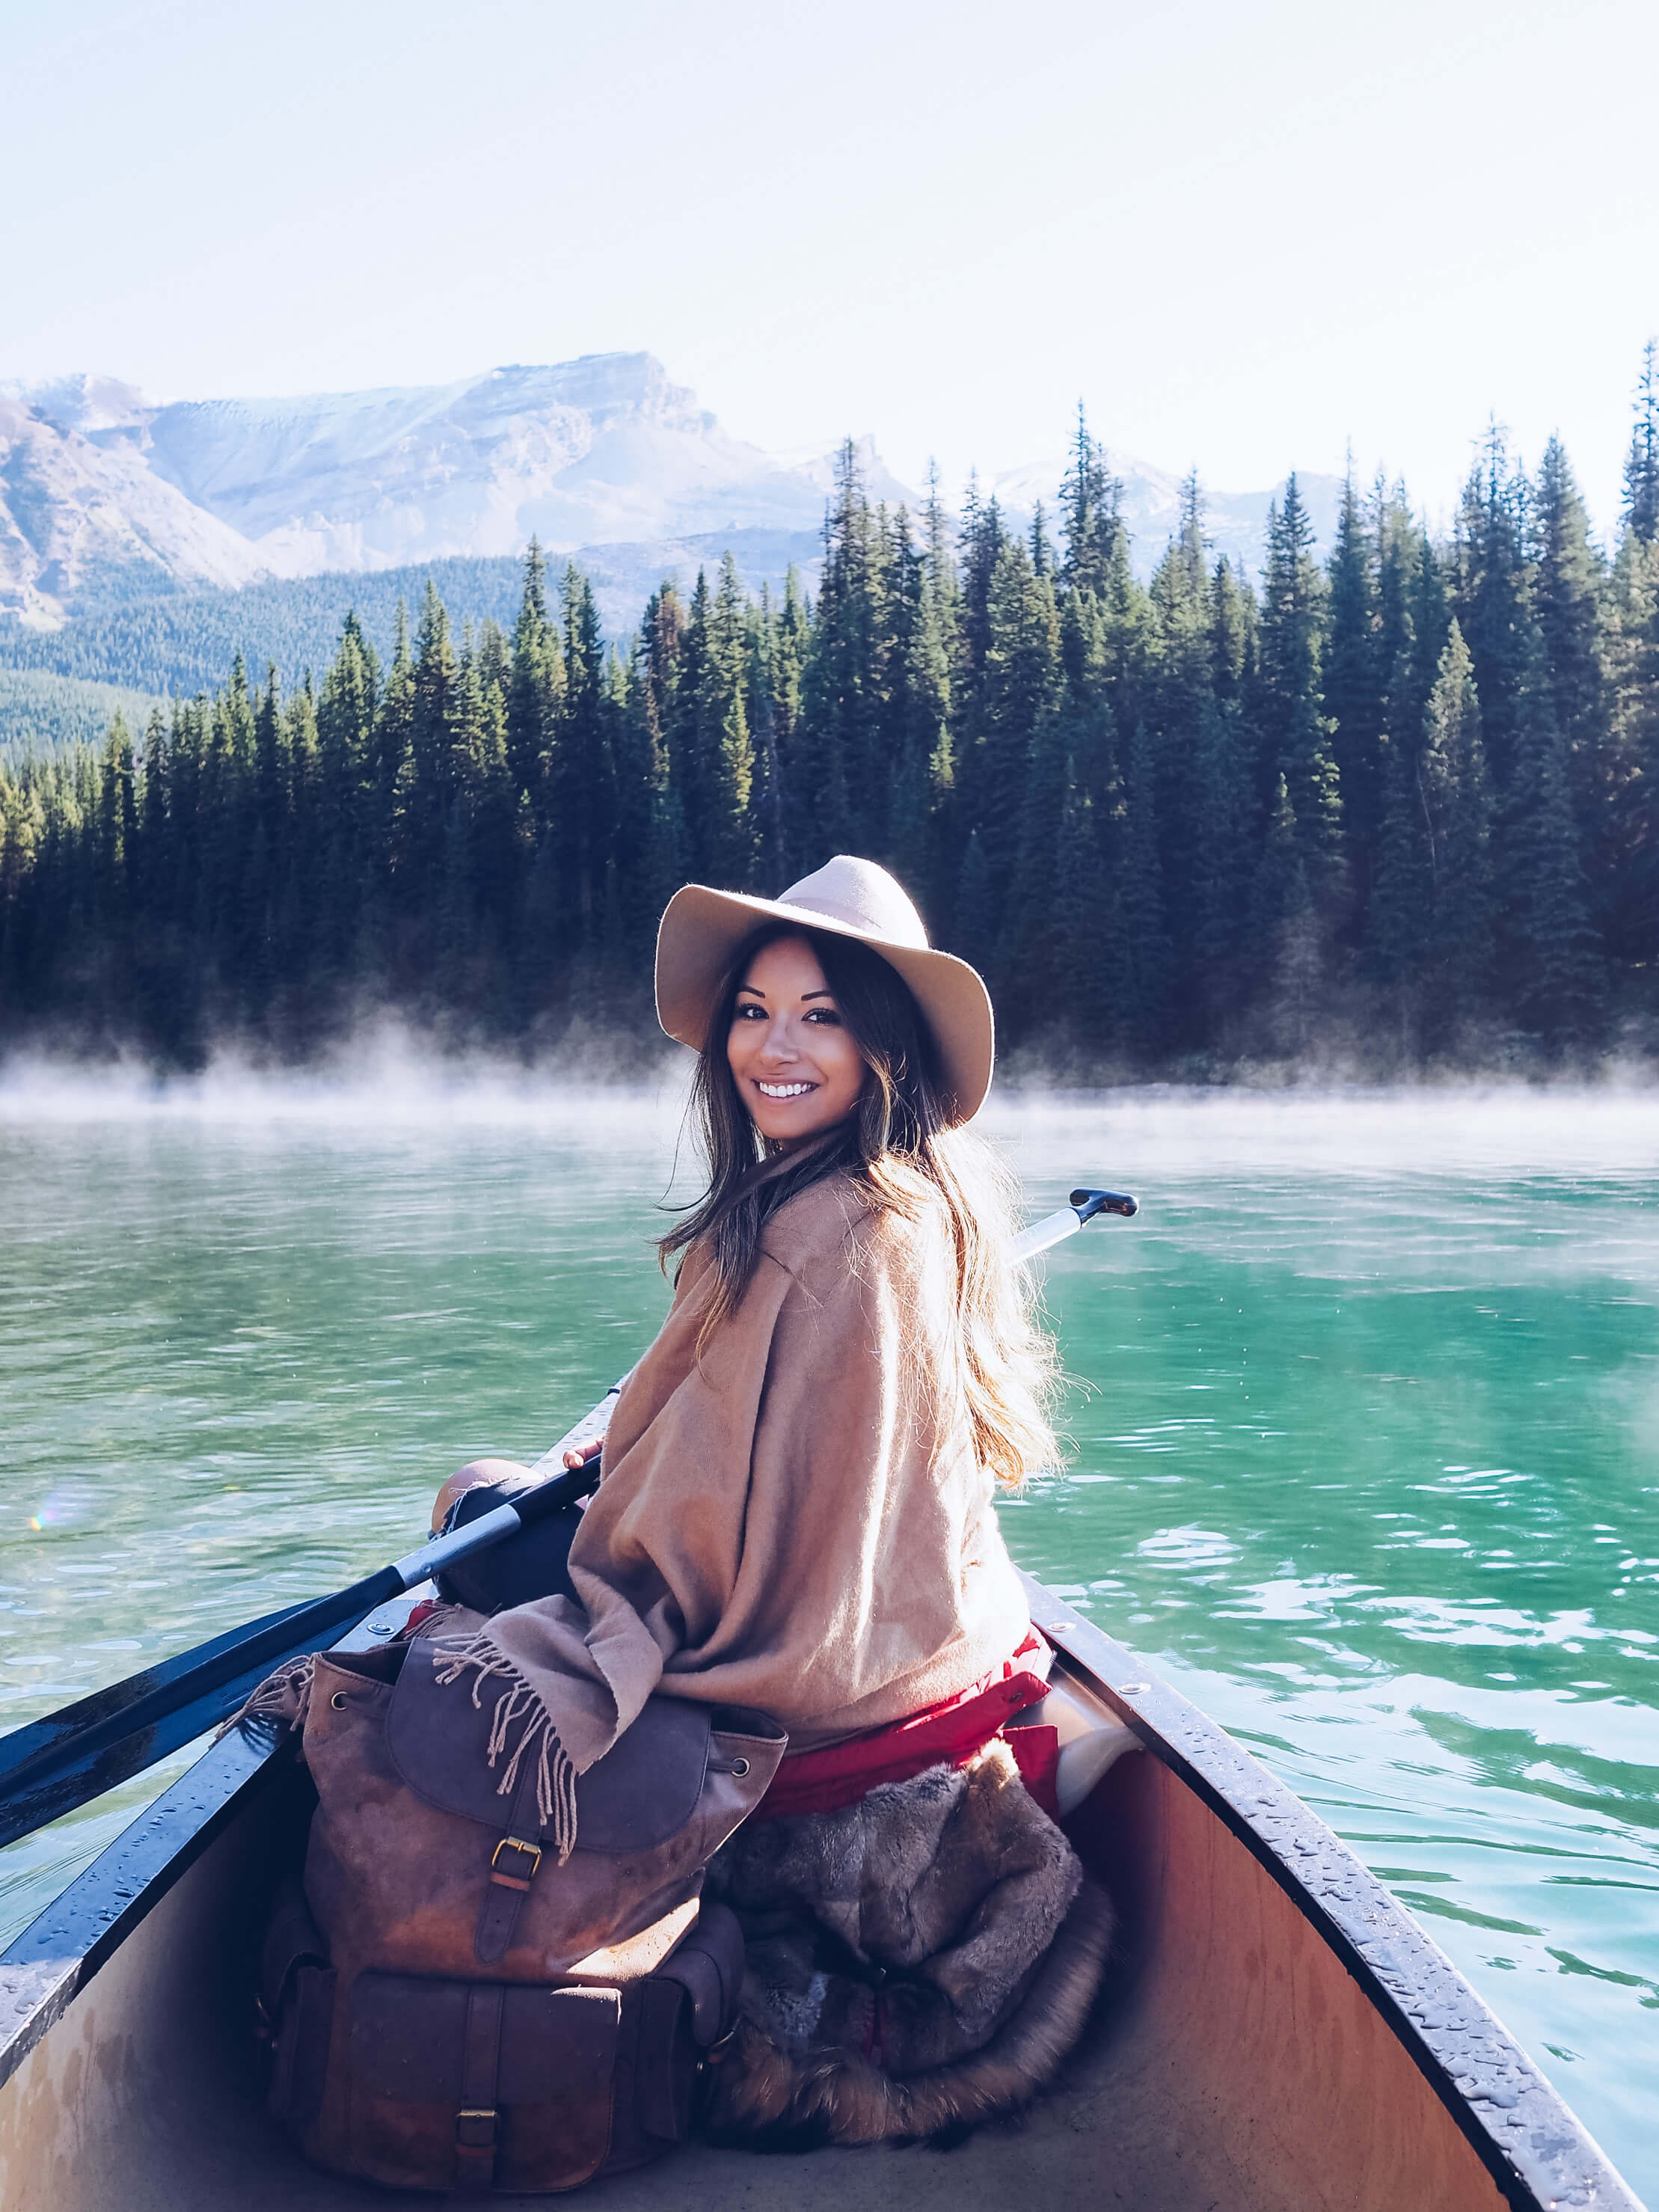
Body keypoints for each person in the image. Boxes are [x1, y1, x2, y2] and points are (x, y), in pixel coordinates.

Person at [432, 855, 1112, 2142]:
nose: (774, 1046)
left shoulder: (818, 1237)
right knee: (508, 1516)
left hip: (798, 1682)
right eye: (754, 1009)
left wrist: (564, 1512)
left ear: (882, 1041)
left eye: (820, 1014)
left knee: (470, 1508)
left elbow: (690, 1554)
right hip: (931, 1642)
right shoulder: (923, 1200)